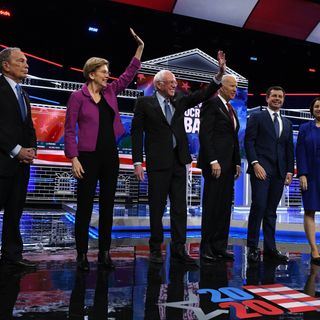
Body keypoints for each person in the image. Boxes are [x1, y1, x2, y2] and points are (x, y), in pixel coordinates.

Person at [131, 51, 226, 266]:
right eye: (170, 82)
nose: (175, 85)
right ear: (158, 85)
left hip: (179, 161)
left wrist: (218, 75)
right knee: (156, 207)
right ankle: (155, 248)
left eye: (175, 82)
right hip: (157, 163)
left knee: (179, 208)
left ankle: (178, 248)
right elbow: (137, 133)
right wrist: (138, 162)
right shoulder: (145, 103)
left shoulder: (180, 101)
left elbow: (202, 95)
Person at [64, 28, 144, 272]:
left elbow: (129, 74)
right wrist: (73, 158)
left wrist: (139, 49)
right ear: (91, 74)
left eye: (108, 72)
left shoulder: (111, 91)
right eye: (103, 72)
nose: (108, 76)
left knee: (108, 204)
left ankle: (105, 253)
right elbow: (69, 130)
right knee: (85, 206)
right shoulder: (77, 97)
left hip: (110, 157)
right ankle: (81, 254)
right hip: (87, 157)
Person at [245, 86, 294, 264]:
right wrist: (255, 163)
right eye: (274, 96)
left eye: (280, 96)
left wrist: (289, 171)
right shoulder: (257, 117)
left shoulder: (287, 123)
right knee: (258, 206)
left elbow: (289, 149)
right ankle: (252, 248)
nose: (277, 99)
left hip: (279, 173)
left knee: (271, 211)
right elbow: (249, 142)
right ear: (267, 98)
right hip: (261, 170)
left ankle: (270, 249)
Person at [197, 74, 241, 263]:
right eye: (232, 86)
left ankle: (220, 247)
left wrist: (237, 161)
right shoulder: (211, 104)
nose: (235, 89)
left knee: (224, 208)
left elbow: (233, 139)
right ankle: (206, 247)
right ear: (221, 87)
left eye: (236, 87)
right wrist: (213, 160)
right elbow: (205, 135)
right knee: (212, 207)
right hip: (215, 165)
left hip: (229, 167)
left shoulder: (231, 109)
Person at [0, 47, 37, 268]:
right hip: (3, 160)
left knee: (15, 211)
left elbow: (28, 126)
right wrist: (16, 150)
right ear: (6, 65)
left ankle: (12, 256)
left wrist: (32, 149)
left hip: (21, 164)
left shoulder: (23, 92)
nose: (26, 65)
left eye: (26, 61)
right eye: (21, 61)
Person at [296, 97, 320, 265]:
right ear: (312, 109)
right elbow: (300, 152)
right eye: (317, 106)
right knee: (310, 210)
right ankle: (314, 249)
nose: (319, 109)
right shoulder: (305, 128)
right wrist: (302, 174)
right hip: (311, 175)